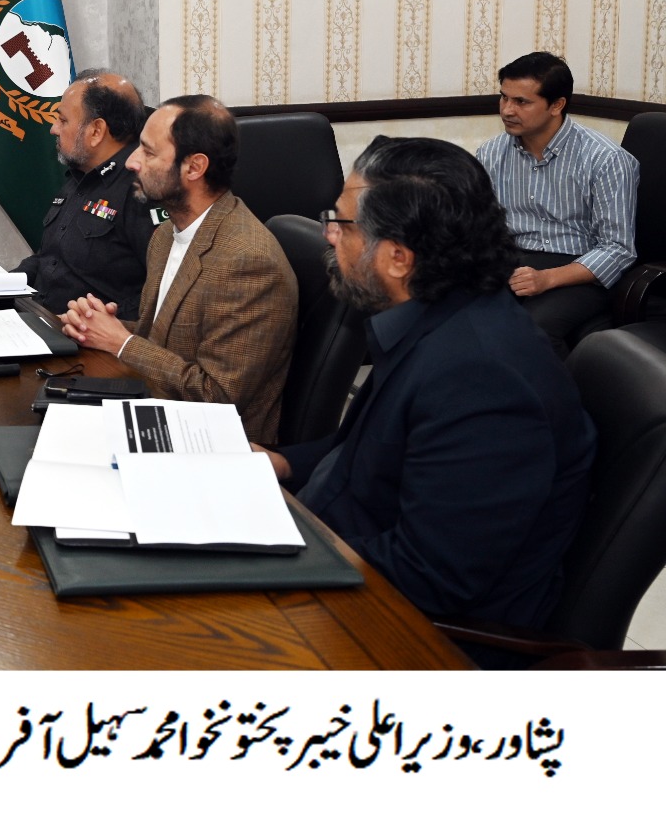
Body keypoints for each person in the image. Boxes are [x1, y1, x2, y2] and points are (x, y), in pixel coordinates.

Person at [259, 137, 595, 652]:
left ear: (398, 258)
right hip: (343, 570)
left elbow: (430, 575)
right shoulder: (437, 318)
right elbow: (373, 450)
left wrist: (277, 546)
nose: (329, 233)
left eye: (342, 223)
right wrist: (280, 464)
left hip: (411, 636)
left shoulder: (483, 380)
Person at [61, 95, 296, 443]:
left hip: (213, 443)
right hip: (155, 410)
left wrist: (121, 342)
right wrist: (97, 326)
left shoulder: (248, 262)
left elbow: (218, 397)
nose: (132, 163)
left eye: (148, 152)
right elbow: (164, 338)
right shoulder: (165, 235)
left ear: (194, 167)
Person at [477, 51, 639, 357]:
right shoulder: (491, 153)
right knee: (458, 312)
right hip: (513, 259)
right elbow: (481, 225)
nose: (507, 110)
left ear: (556, 105)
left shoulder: (606, 159)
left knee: (530, 329)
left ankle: (562, 390)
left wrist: (547, 278)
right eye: (504, 97)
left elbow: (618, 249)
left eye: (521, 101)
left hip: (579, 268)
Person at [15, 69, 155, 314]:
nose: (53, 129)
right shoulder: (79, 174)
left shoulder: (142, 190)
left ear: (96, 131)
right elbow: (48, 259)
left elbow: (159, 293)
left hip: (84, 332)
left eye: (63, 120)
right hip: (38, 315)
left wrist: (98, 321)